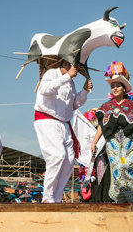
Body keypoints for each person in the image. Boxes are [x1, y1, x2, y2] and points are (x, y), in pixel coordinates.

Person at [91, 61, 133, 203]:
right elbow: (102, 126)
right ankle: (122, 198)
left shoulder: (132, 106)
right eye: (112, 86)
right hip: (113, 143)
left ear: (124, 88)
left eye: (118, 86)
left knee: (129, 165)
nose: (115, 88)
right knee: (118, 168)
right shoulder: (106, 107)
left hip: (130, 142)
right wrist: (94, 142)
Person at [34, 60, 92, 203]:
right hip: (47, 120)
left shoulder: (71, 83)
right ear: (66, 63)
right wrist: (67, 76)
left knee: (69, 160)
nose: (77, 69)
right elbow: (44, 90)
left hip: (64, 124)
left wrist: (84, 90)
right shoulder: (51, 73)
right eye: (75, 65)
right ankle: (47, 198)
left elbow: (74, 105)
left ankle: (57, 197)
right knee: (57, 156)